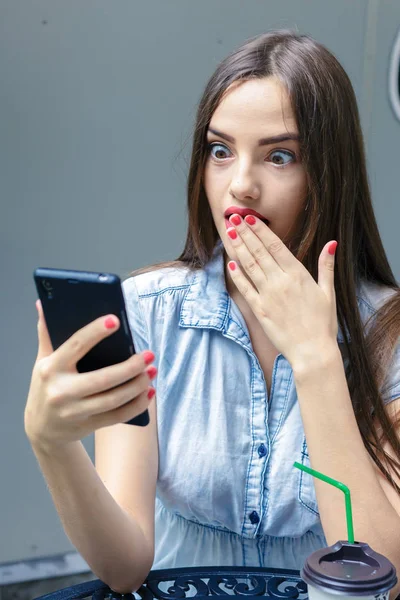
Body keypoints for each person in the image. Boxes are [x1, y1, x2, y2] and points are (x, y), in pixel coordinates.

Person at [24, 30, 400, 596]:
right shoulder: (149, 311)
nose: (239, 187)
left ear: (330, 173)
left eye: (280, 156)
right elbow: (124, 568)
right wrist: (51, 443)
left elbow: (383, 576)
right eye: (220, 151)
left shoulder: (389, 331)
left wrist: (317, 357)